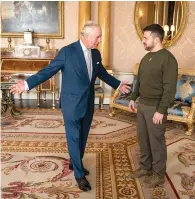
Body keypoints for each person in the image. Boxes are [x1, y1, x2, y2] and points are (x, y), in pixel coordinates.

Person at [10, 21, 130, 192]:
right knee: (73, 138)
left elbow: (101, 73)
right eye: (97, 37)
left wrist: (118, 84)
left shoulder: (96, 54)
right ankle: (79, 175)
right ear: (85, 36)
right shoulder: (67, 52)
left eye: (100, 36)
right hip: (71, 104)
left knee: (83, 136)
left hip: (88, 102)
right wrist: (27, 84)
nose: (99, 40)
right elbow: (48, 71)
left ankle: (76, 163)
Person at [128, 24, 178, 188]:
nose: (143, 41)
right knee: (143, 139)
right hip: (142, 106)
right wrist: (133, 98)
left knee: (156, 142)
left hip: (156, 107)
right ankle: (145, 167)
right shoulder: (146, 58)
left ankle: (158, 174)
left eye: (145, 37)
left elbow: (169, 89)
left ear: (156, 39)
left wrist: (161, 111)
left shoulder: (168, 59)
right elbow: (139, 81)